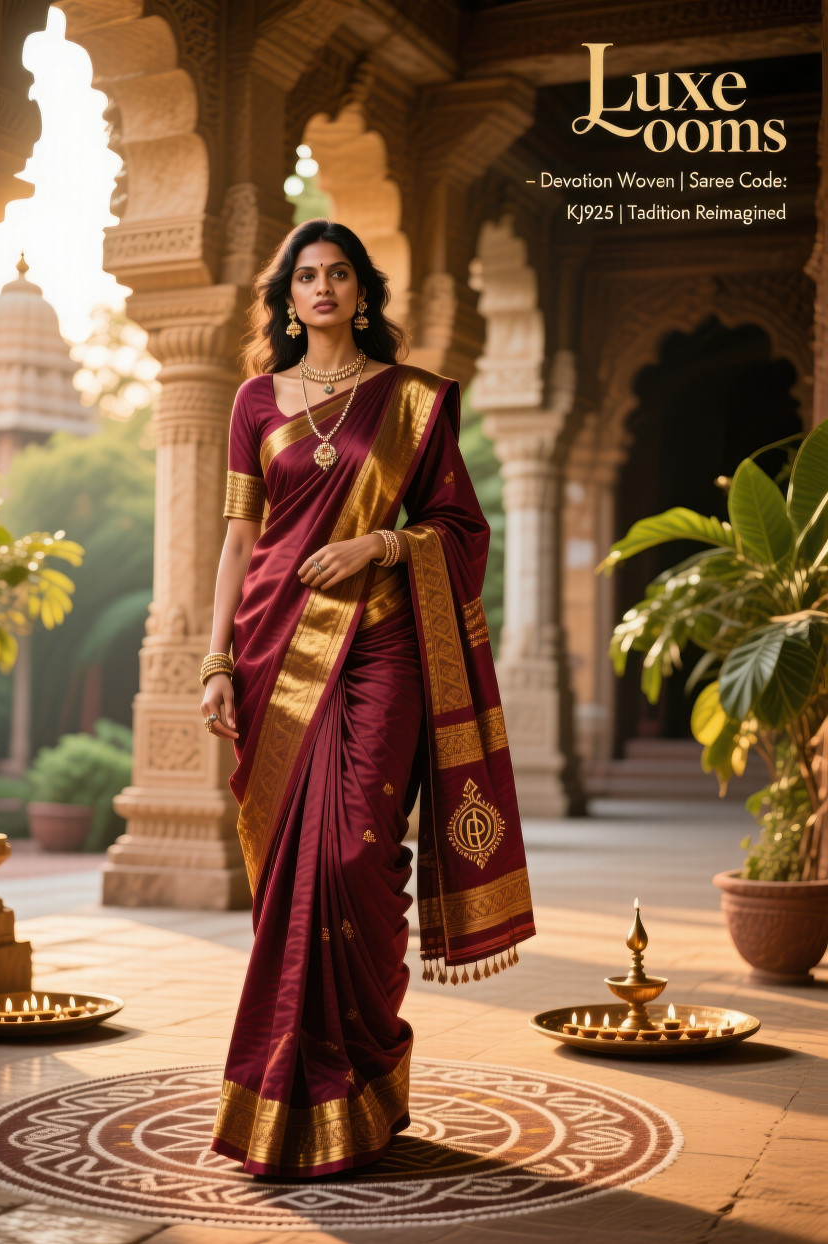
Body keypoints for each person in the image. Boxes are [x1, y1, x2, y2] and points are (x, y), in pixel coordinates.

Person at [200, 218, 534, 1178]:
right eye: (305, 275)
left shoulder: (413, 402)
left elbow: (460, 528)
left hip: (383, 642)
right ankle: (295, 1093)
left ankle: (369, 1071)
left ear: (361, 291)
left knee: (354, 852)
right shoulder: (255, 402)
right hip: (273, 643)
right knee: (288, 877)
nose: (322, 288)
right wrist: (216, 660)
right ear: (287, 297)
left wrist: (382, 545)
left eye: (338, 273)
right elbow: (238, 541)